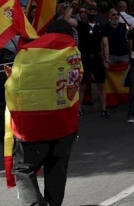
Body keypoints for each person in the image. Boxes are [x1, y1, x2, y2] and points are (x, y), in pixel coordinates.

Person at [5, 20, 81, 206]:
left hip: (32, 127)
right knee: (57, 169)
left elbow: (16, 87)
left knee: (23, 169)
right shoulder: (73, 54)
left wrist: (11, 77)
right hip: (64, 125)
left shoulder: (27, 53)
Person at [77, 3, 107, 117]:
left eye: (95, 10)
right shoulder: (81, 25)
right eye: (90, 10)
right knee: (82, 84)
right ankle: (79, 109)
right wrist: (73, 5)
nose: (92, 12)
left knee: (101, 84)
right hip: (84, 57)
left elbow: (105, 45)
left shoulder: (100, 27)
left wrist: (106, 60)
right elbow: (66, 19)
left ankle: (104, 108)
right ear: (86, 11)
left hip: (97, 57)